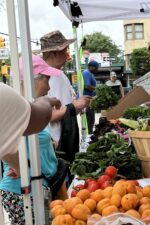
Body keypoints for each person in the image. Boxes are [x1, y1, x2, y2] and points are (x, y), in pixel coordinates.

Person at [0, 55, 65, 225]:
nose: (49, 86)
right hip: (23, 191)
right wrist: (18, 166)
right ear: (32, 79)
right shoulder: (18, 107)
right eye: (46, 79)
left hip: (37, 185)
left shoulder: (23, 107)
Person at [38, 30, 91, 163]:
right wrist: (74, 106)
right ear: (54, 53)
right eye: (65, 50)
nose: (67, 54)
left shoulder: (60, 74)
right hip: (55, 144)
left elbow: (65, 105)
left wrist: (79, 105)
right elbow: (47, 116)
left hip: (67, 138)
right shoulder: (41, 79)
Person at [0, 83, 59, 174]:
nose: (48, 87)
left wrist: (19, 168)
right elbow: (41, 118)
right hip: (23, 184)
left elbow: (5, 141)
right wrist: (45, 100)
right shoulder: (4, 94)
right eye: (46, 79)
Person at [83, 60, 99, 134]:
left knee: (91, 119)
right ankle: (89, 136)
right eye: (96, 68)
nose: (97, 69)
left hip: (89, 100)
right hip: (86, 101)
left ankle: (90, 134)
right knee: (89, 120)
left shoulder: (89, 74)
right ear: (91, 67)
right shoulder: (86, 73)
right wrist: (98, 90)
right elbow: (86, 86)